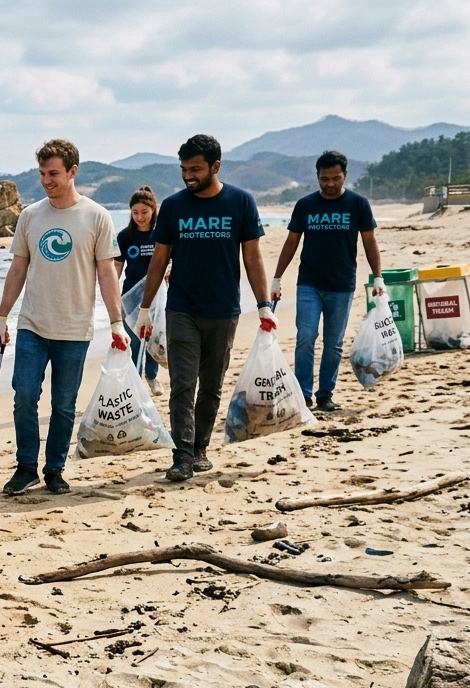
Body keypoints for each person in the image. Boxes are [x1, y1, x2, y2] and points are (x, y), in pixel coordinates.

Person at [0, 139, 127, 496]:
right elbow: (18, 269)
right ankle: (25, 467)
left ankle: (54, 470)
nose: (46, 180)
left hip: (75, 328)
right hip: (32, 324)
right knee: (23, 395)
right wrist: (1, 318)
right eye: (42, 174)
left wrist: (116, 323)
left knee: (64, 405)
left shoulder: (96, 216)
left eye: (53, 173)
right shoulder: (30, 216)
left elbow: (107, 273)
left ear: (72, 172)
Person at [137, 134, 274, 482]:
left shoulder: (240, 202)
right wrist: (144, 307)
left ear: (215, 166)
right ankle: (182, 455)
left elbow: (253, 257)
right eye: (184, 169)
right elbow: (159, 259)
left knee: (211, 385)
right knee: (183, 384)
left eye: (196, 169)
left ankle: (200, 448)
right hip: (181, 308)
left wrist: (264, 305)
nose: (188, 176)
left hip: (224, 309)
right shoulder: (174, 206)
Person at [270, 150, 384, 411]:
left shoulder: (358, 204)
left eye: (336, 178)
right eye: (324, 179)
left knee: (334, 343)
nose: (330, 184)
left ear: (345, 175)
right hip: (309, 282)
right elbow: (291, 243)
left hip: (342, 284)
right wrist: (277, 278)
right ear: (317, 177)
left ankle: (325, 395)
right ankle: (303, 394)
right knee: (306, 337)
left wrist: (378, 277)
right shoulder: (306, 205)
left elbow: (370, 242)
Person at [115, 186, 163, 395]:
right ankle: (135, 384)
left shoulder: (161, 233)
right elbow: (117, 266)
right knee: (134, 341)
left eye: (144, 212)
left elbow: (172, 259)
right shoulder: (125, 236)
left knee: (154, 338)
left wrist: (171, 268)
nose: (140, 217)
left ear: (153, 209)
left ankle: (152, 377)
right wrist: (111, 295)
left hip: (158, 295)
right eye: (135, 213)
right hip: (130, 296)